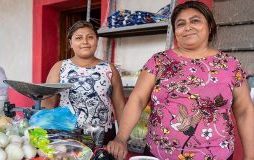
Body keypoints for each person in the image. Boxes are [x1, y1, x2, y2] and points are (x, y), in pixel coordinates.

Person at [107, 1, 254, 160]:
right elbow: (137, 99)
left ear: (210, 26)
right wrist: (121, 138)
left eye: (195, 21)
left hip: (217, 155)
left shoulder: (231, 65)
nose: (188, 27)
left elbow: (245, 110)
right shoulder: (159, 61)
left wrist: (250, 156)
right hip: (160, 154)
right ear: (175, 30)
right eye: (181, 23)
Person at [42, 20, 125, 146]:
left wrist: (121, 138)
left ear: (97, 41)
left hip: (103, 134)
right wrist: (46, 131)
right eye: (79, 38)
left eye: (90, 37)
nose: (85, 42)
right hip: (67, 133)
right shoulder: (60, 67)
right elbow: (48, 102)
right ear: (71, 43)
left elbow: (120, 105)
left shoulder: (109, 69)